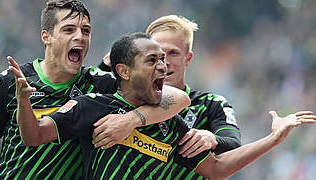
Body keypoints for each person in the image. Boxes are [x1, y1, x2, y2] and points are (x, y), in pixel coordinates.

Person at [11, 32, 316, 180]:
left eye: (166, 58)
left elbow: (217, 168)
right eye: (153, 60)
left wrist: (274, 139)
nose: (163, 66)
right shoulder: (92, 106)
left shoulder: (174, 122)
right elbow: (34, 135)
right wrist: (24, 101)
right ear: (124, 71)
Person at [0, 1, 190, 179]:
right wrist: (22, 99)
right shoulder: (12, 80)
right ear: (46, 37)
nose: (79, 37)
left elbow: (179, 98)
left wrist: (131, 120)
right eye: (69, 30)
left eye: (86, 31)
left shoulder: (99, 85)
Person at [96, 14, 242, 179]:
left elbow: (233, 144)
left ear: (188, 59)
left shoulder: (210, 104)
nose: (164, 63)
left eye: (173, 53)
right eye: (155, 55)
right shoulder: (125, 97)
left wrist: (213, 138)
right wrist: (105, 65)